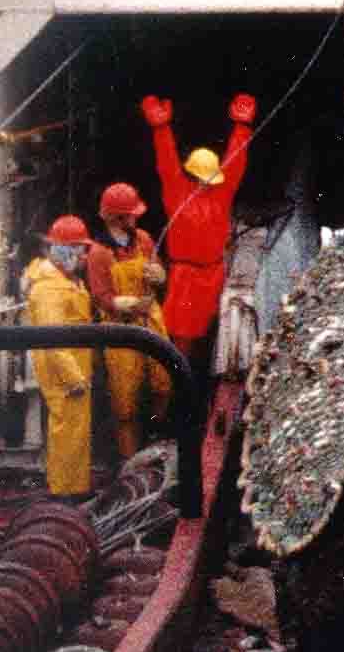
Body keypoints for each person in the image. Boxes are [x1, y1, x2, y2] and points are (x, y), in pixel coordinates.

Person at [141, 91, 256, 378]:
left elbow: (236, 162)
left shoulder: (221, 193)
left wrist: (242, 128)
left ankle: (205, 388)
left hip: (214, 274)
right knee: (182, 343)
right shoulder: (176, 191)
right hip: (186, 279)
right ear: (191, 174)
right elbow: (166, 162)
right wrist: (161, 129)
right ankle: (179, 391)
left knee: (217, 339)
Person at [86, 180, 170, 464]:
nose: (135, 219)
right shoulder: (99, 253)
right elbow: (101, 296)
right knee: (125, 401)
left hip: (151, 318)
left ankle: (156, 438)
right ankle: (129, 460)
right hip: (119, 328)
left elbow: (160, 271)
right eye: (130, 215)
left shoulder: (144, 239)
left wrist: (159, 275)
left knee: (163, 382)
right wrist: (127, 303)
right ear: (115, 217)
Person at [23, 214, 94, 497]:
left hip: (76, 365)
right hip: (64, 371)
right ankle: (65, 492)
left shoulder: (67, 279)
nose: (83, 256)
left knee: (76, 429)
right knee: (67, 429)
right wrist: (73, 377)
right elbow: (53, 338)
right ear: (60, 249)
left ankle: (76, 486)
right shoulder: (48, 288)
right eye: (78, 249)